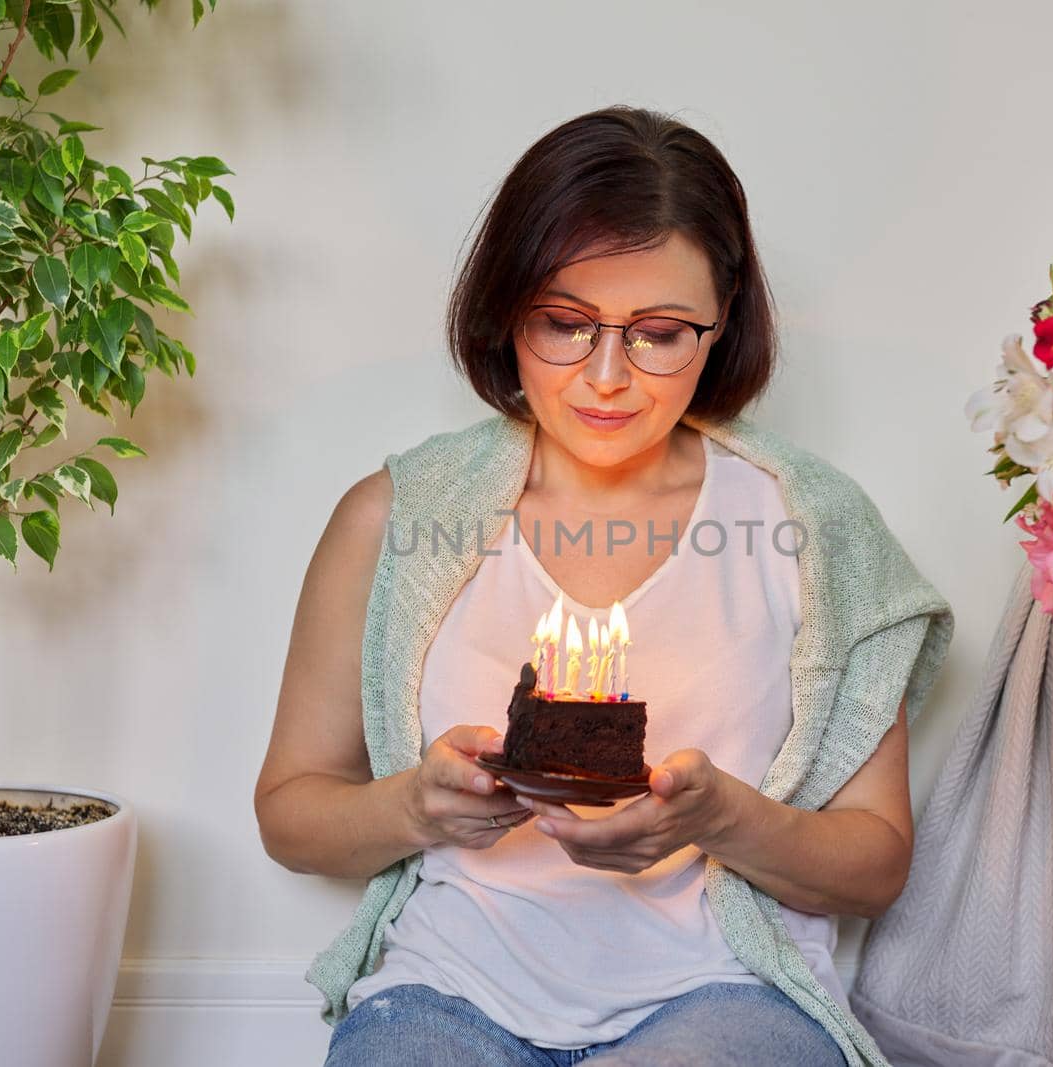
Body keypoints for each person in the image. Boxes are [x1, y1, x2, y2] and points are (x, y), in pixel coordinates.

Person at [254, 105, 952, 1067]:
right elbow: (292, 815)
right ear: (508, 312)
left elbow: (875, 865)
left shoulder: (816, 530)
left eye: (660, 332)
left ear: (722, 324)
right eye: (566, 325)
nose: (609, 377)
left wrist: (717, 817)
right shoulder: (395, 518)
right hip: (448, 993)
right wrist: (418, 804)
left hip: (724, 998)